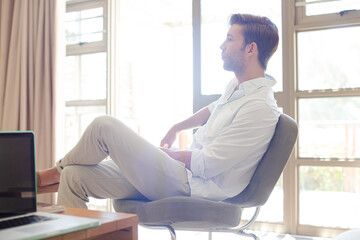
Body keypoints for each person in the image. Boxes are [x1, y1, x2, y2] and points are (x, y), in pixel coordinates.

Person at [37, 13, 280, 208]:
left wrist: (159, 154)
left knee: (104, 125)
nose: (221, 45)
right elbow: (212, 109)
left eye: (229, 39)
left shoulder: (260, 108)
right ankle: (61, 177)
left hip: (192, 185)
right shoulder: (238, 88)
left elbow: (208, 165)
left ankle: (44, 177)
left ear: (250, 49)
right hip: (178, 175)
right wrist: (177, 127)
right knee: (73, 177)